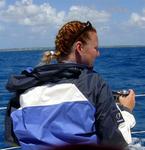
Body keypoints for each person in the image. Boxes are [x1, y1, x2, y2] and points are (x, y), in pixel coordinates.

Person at [6, 21, 136, 150]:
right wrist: (126, 110)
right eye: (95, 48)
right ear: (79, 48)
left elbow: (13, 138)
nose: (98, 53)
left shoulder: (25, 84)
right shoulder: (93, 83)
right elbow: (116, 142)